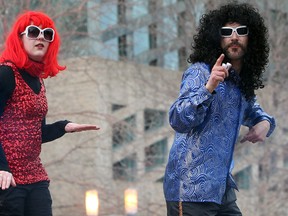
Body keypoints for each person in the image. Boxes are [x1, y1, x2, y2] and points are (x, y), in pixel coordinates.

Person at [163, 2, 276, 216]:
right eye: (227, 32)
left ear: (251, 38)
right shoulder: (200, 73)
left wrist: (265, 123)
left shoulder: (241, 84)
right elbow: (177, 119)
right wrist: (209, 88)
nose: (234, 37)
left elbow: (255, 112)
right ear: (217, 38)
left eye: (241, 31)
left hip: (222, 191)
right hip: (190, 190)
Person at [0, 11, 100, 216]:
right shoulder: (6, 74)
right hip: (6, 178)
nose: (40, 37)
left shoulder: (39, 81)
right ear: (19, 38)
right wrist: (2, 168)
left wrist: (64, 126)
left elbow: (37, 134)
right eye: (34, 31)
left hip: (35, 177)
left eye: (47, 34)